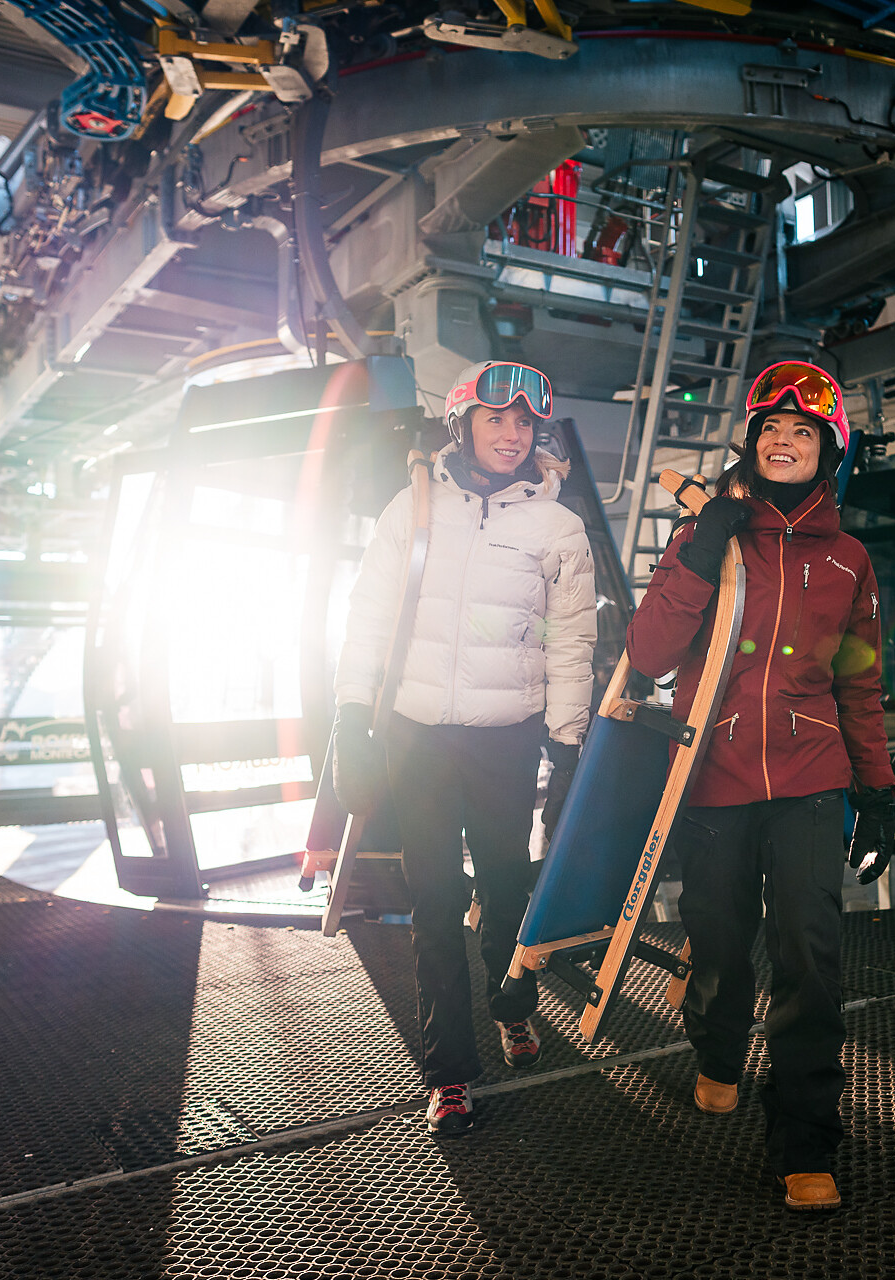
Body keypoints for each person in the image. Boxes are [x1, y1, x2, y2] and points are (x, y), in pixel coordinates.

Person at [626, 360, 895, 1210]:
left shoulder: (851, 559)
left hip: (814, 780)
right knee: (717, 937)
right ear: (751, 443)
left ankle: (805, 1143)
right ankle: (715, 1047)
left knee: (810, 958)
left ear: (829, 453)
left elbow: (860, 684)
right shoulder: (708, 537)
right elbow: (648, 654)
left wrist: (879, 792)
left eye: (804, 431)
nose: (785, 441)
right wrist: (702, 550)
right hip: (714, 773)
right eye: (772, 429)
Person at [333, 360, 596, 1136]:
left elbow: (571, 641)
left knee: (508, 890)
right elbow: (369, 619)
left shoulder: (558, 527)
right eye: (496, 419)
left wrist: (567, 737)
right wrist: (351, 717)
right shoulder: (410, 509)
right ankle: (448, 1071)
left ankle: (513, 1003)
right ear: (463, 425)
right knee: (437, 904)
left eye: (525, 423)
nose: (513, 435)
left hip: (505, 740)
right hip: (416, 736)